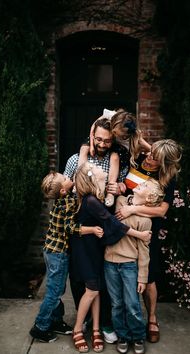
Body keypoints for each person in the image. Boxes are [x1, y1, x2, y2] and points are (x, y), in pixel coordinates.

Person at [71, 162, 152, 353]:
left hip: (95, 247)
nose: (101, 168)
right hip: (84, 248)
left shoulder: (96, 197)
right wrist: (140, 235)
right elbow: (112, 223)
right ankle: (77, 329)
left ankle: (97, 329)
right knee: (91, 290)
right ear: (91, 176)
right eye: (96, 167)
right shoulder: (90, 200)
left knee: (97, 288)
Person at [64, 116, 128, 344]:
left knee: (105, 277)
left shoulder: (116, 159)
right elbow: (67, 193)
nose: (102, 144)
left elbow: (124, 188)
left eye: (107, 141)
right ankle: (86, 322)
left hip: (107, 228)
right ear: (92, 136)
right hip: (82, 227)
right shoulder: (74, 160)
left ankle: (104, 322)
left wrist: (120, 187)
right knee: (81, 277)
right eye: (98, 139)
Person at [115, 139, 182, 344]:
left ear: (164, 163)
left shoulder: (167, 177)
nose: (150, 158)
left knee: (149, 275)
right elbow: (135, 136)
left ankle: (152, 318)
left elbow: (162, 210)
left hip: (146, 229)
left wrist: (133, 209)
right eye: (151, 153)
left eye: (156, 158)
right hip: (122, 223)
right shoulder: (139, 158)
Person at [29, 172, 104, 343]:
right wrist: (91, 229)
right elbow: (70, 228)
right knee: (54, 292)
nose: (69, 177)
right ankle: (40, 327)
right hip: (58, 254)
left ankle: (55, 321)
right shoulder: (68, 203)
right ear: (63, 190)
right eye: (66, 179)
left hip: (50, 250)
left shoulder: (62, 199)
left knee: (57, 289)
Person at [104, 179, 164, 354]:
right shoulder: (121, 202)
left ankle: (137, 336)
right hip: (110, 262)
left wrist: (143, 278)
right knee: (116, 303)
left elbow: (145, 253)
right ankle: (122, 335)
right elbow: (115, 225)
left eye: (145, 186)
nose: (140, 184)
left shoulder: (146, 221)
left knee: (132, 304)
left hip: (130, 265)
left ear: (150, 198)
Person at [78, 108, 150, 207]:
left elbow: (148, 147)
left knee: (115, 157)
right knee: (83, 149)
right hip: (98, 137)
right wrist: (91, 144)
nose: (115, 136)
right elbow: (94, 126)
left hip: (116, 147)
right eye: (115, 132)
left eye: (119, 136)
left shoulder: (134, 134)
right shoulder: (110, 115)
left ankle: (110, 193)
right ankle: (80, 180)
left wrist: (153, 152)